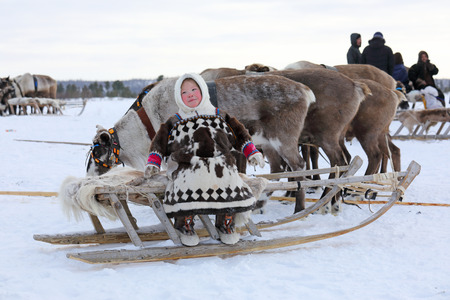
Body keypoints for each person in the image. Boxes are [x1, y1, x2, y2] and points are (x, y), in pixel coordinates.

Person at [144, 73, 265, 246]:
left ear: (203, 91)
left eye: (194, 89)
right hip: (187, 166)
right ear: (179, 97)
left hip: (220, 164)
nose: (190, 94)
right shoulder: (175, 121)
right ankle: (184, 224)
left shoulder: (220, 116)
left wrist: (251, 152)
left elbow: (240, 134)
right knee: (186, 185)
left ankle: (226, 222)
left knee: (230, 182)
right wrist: (153, 162)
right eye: (184, 92)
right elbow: (159, 143)